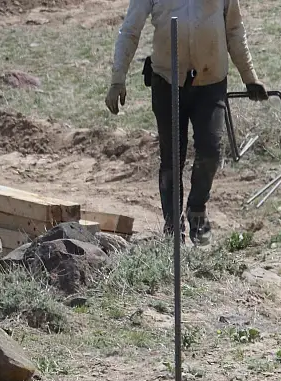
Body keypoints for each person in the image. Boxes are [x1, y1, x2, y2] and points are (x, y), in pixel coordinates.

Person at [104, 0, 268, 245]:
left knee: (211, 151)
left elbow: (234, 28)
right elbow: (130, 30)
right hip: (167, 82)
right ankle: (173, 228)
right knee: (171, 160)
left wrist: (249, 76)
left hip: (211, 82)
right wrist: (118, 79)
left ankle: (197, 209)